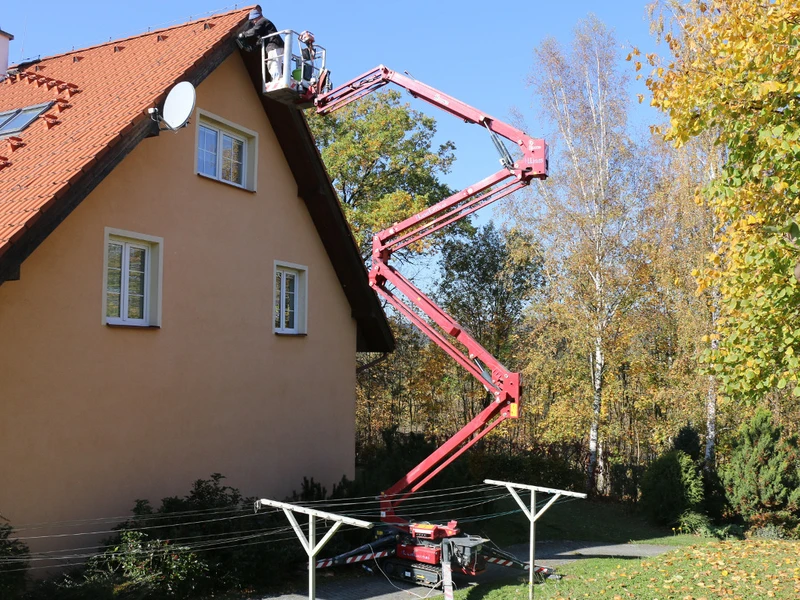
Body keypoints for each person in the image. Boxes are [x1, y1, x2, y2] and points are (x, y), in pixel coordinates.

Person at [237, 5, 284, 81]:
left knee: (273, 63)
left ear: (256, 17)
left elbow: (254, 31)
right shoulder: (265, 24)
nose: (253, 22)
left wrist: (243, 34)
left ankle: (277, 80)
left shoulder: (262, 21)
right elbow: (260, 39)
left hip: (273, 45)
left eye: (253, 20)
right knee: (277, 63)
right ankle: (279, 79)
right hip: (278, 45)